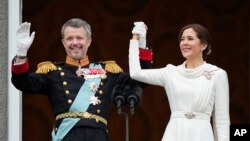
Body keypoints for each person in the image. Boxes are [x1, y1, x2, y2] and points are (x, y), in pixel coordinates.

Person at [11, 18, 153, 141]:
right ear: (63, 42)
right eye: (69, 38)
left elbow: (142, 80)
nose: (75, 42)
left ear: (89, 41)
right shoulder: (53, 72)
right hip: (67, 136)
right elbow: (23, 83)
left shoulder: (108, 71)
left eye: (79, 38)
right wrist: (21, 55)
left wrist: (141, 45)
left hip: (98, 136)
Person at [129, 22, 230, 141]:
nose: (184, 43)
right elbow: (136, 73)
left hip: (202, 135)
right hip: (175, 133)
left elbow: (222, 120)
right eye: (182, 39)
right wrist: (137, 40)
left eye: (190, 39)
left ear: (204, 45)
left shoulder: (217, 74)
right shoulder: (171, 73)